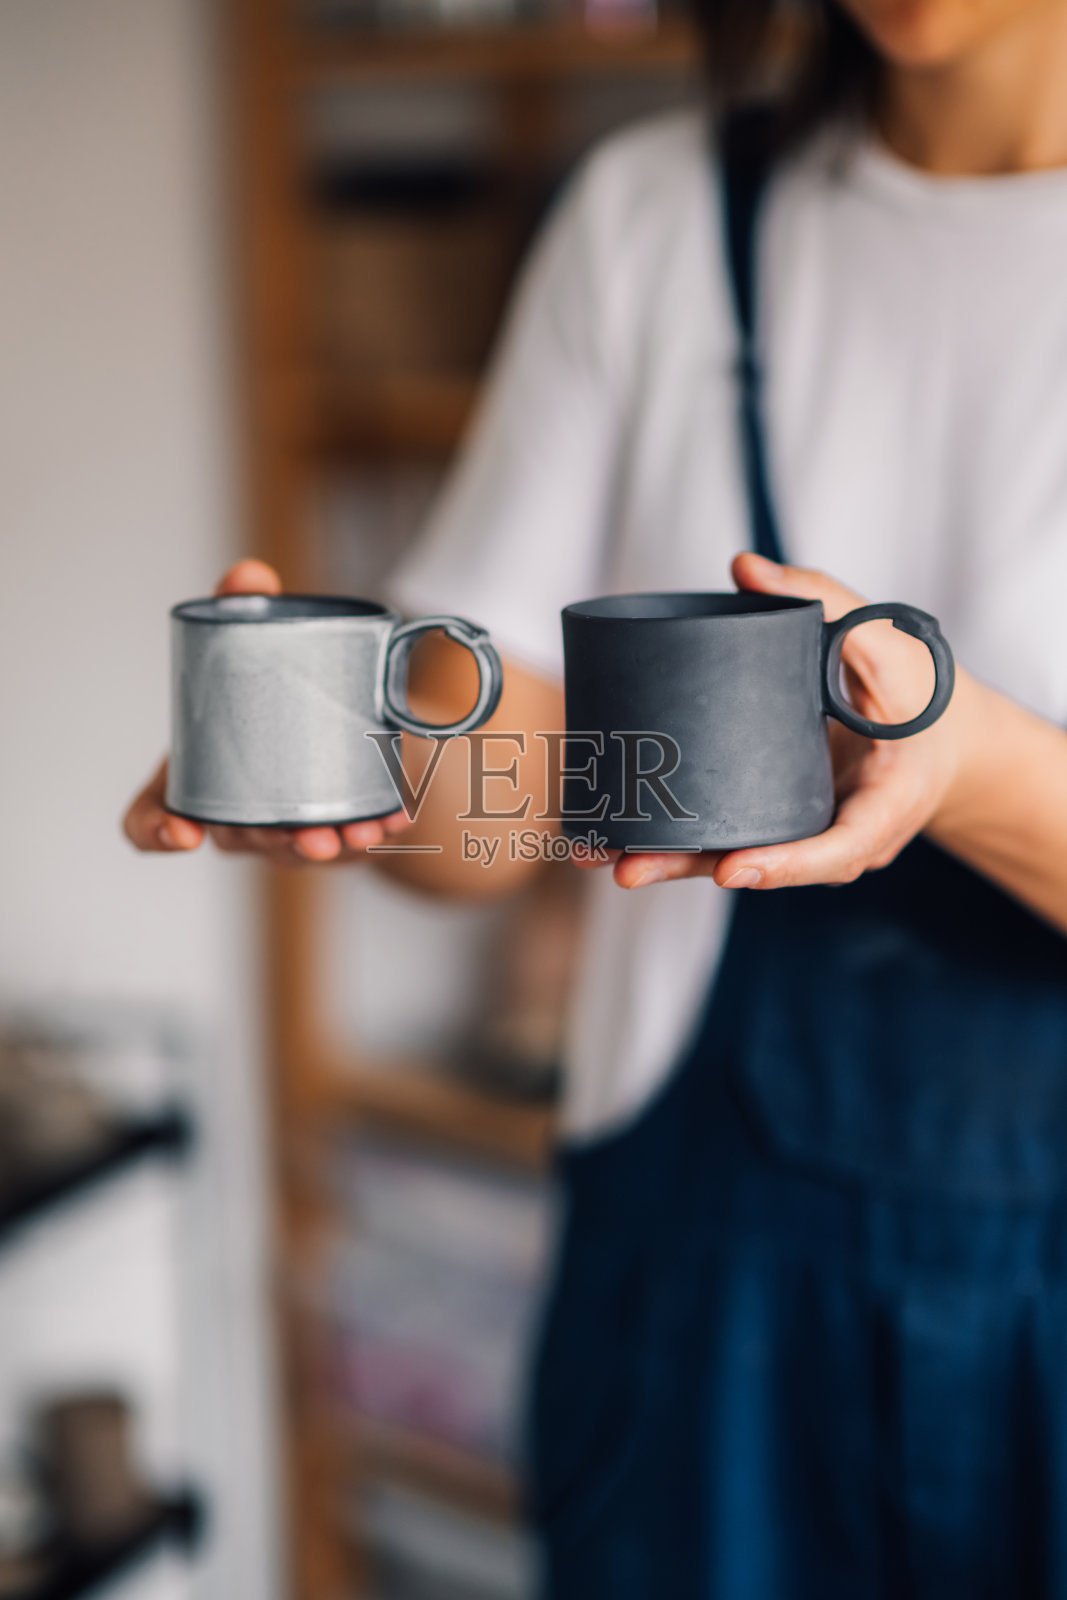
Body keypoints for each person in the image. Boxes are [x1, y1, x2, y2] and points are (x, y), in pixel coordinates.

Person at [127, 0, 1067, 1591]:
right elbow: (511, 785)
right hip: (705, 1292)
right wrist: (354, 767)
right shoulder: (660, 219)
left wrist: (968, 768)